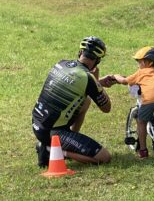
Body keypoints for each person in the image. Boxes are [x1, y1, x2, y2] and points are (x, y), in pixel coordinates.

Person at [32, 36, 116, 167]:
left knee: (86, 100)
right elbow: (107, 108)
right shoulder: (88, 78)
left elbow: (76, 85)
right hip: (53, 132)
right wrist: (97, 84)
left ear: (80, 52)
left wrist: (97, 83)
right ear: (97, 60)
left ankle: (68, 140)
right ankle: (52, 150)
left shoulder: (62, 63)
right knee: (105, 157)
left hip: (37, 122)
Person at [113, 46, 154, 158]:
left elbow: (124, 81)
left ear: (149, 62)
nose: (138, 64)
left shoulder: (141, 72)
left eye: (139, 61)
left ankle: (143, 150)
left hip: (149, 100)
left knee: (141, 122)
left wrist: (115, 76)